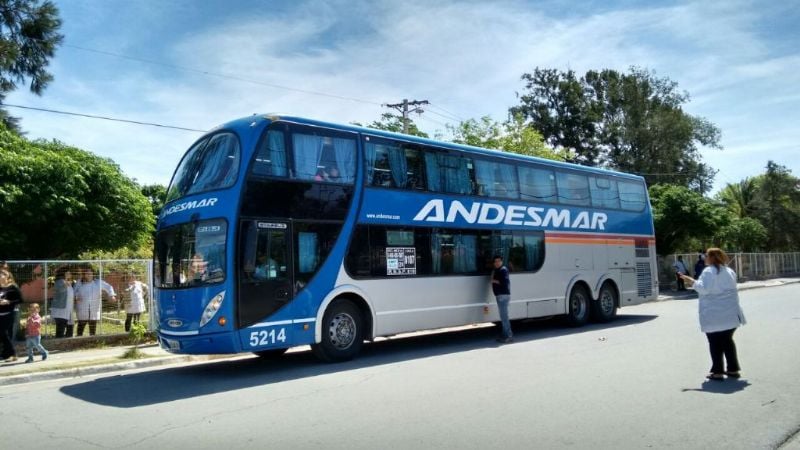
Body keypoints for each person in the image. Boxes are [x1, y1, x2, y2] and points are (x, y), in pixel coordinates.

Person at [680, 248, 746, 380]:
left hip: (715, 315)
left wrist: (690, 281)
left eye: (706, 256)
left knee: (715, 343)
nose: (704, 258)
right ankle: (733, 369)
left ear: (711, 257)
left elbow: (704, 289)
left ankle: (718, 371)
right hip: (731, 314)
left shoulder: (708, 271)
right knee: (727, 341)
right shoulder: (729, 271)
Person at [74, 268, 117, 336]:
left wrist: (112, 295)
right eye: (87, 274)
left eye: (90, 274)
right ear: (84, 275)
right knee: (81, 326)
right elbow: (73, 292)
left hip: (94, 308)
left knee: (93, 327)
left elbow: (108, 287)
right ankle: (78, 340)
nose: (89, 275)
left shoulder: (98, 282)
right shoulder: (79, 282)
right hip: (82, 307)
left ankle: (92, 340)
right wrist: (76, 297)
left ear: (93, 274)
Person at [0, 268, 22, 362]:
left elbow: (20, 300)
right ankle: (6, 354)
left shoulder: (13, 287)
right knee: (4, 334)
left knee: (2, 333)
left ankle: (12, 354)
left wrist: (8, 301)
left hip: (9, 314)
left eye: (1, 275)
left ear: (6, 276)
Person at [490, 255, 513, 344]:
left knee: (504, 317)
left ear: (501, 261)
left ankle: (509, 336)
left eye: (498, 261)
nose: (497, 263)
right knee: (503, 317)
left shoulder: (503, 270)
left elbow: (504, 282)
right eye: (495, 261)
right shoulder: (497, 270)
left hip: (503, 296)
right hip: (500, 296)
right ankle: (504, 335)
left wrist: (493, 280)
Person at [51, 267, 75, 338]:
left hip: (68, 310)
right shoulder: (59, 281)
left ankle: (67, 343)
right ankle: (58, 344)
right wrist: (65, 285)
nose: (69, 274)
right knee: (60, 329)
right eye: (67, 273)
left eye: (70, 273)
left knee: (70, 328)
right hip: (60, 310)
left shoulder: (69, 283)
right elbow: (58, 291)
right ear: (63, 274)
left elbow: (69, 295)